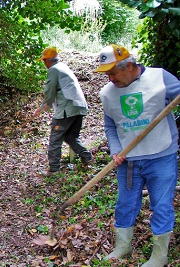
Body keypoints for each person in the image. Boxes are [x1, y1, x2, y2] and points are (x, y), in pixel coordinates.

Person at [94, 44, 180, 266]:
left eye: (113, 72)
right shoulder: (107, 94)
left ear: (130, 65)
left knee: (161, 204)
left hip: (161, 154)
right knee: (125, 203)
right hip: (128, 159)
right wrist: (115, 150)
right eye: (107, 73)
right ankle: (123, 246)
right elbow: (110, 126)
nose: (110, 78)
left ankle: (159, 256)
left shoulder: (160, 78)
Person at [33, 47, 93, 177]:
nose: (44, 64)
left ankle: (54, 169)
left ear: (48, 60)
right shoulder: (63, 67)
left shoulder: (54, 70)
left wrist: (41, 108)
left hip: (67, 109)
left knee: (55, 138)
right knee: (70, 136)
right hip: (78, 107)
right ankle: (87, 157)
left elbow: (50, 92)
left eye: (44, 61)